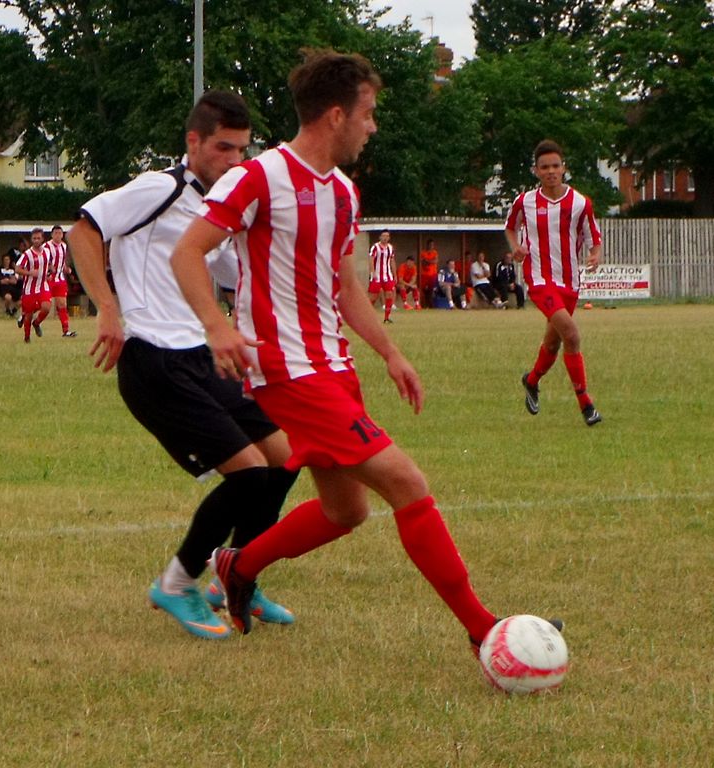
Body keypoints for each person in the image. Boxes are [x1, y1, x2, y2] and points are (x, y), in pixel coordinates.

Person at [170, 51, 559, 653]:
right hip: (288, 370)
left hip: (333, 367)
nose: (372, 126)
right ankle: (486, 633)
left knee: (346, 511)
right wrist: (217, 327)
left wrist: (390, 353)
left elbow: (346, 285)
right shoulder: (259, 177)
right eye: (368, 113)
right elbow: (187, 253)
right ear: (334, 116)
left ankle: (237, 567)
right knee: (406, 480)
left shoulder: (344, 193)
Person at [67, 89, 298, 640]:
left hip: (202, 355)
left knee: (286, 458)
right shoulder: (159, 188)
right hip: (154, 361)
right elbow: (83, 230)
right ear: (193, 142)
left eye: (242, 150)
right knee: (246, 473)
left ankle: (237, 574)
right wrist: (108, 308)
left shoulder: (222, 211)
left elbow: (225, 277)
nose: (234, 161)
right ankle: (176, 582)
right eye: (223, 148)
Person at [505, 139, 603, 427]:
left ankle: (532, 380)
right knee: (571, 335)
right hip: (539, 280)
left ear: (564, 168)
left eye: (555, 166)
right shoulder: (525, 202)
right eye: (544, 167)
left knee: (553, 341)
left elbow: (594, 239)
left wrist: (595, 255)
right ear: (536, 171)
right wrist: (516, 248)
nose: (551, 171)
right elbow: (511, 227)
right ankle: (586, 404)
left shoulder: (580, 203)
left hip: (570, 283)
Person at [15, 227, 51, 343]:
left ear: (42, 239)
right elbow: (17, 269)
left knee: (46, 307)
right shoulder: (27, 254)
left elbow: (47, 264)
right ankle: (27, 337)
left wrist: (49, 272)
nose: (36, 240)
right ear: (31, 239)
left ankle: (37, 323)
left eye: (38, 238)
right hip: (29, 288)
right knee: (28, 314)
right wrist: (30, 272)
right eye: (34, 238)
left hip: (42, 285)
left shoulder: (46, 251)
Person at [44, 225, 77, 337]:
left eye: (60, 233)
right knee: (43, 305)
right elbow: (42, 260)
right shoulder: (46, 246)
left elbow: (61, 262)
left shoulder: (64, 246)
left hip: (60, 280)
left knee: (62, 304)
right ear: (52, 235)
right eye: (56, 233)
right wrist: (49, 266)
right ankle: (30, 318)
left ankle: (66, 330)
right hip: (48, 279)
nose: (58, 235)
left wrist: (66, 269)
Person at [367, 229, 396, 323]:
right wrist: (373, 272)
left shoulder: (390, 248)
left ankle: (387, 317)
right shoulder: (375, 247)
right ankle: (367, 316)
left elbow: (392, 261)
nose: (385, 238)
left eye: (387, 236)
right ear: (380, 237)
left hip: (387, 275)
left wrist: (395, 275)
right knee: (373, 297)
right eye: (383, 236)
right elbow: (371, 259)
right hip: (377, 276)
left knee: (389, 294)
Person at [419, 238, 439, 307]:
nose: (431, 246)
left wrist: (428, 261)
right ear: (427, 245)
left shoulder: (435, 252)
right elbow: (423, 263)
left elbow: (435, 261)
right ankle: (423, 305)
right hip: (424, 274)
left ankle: (431, 305)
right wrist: (430, 261)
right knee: (423, 290)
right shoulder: (423, 252)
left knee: (431, 289)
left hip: (433, 274)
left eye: (432, 245)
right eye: (430, 245)